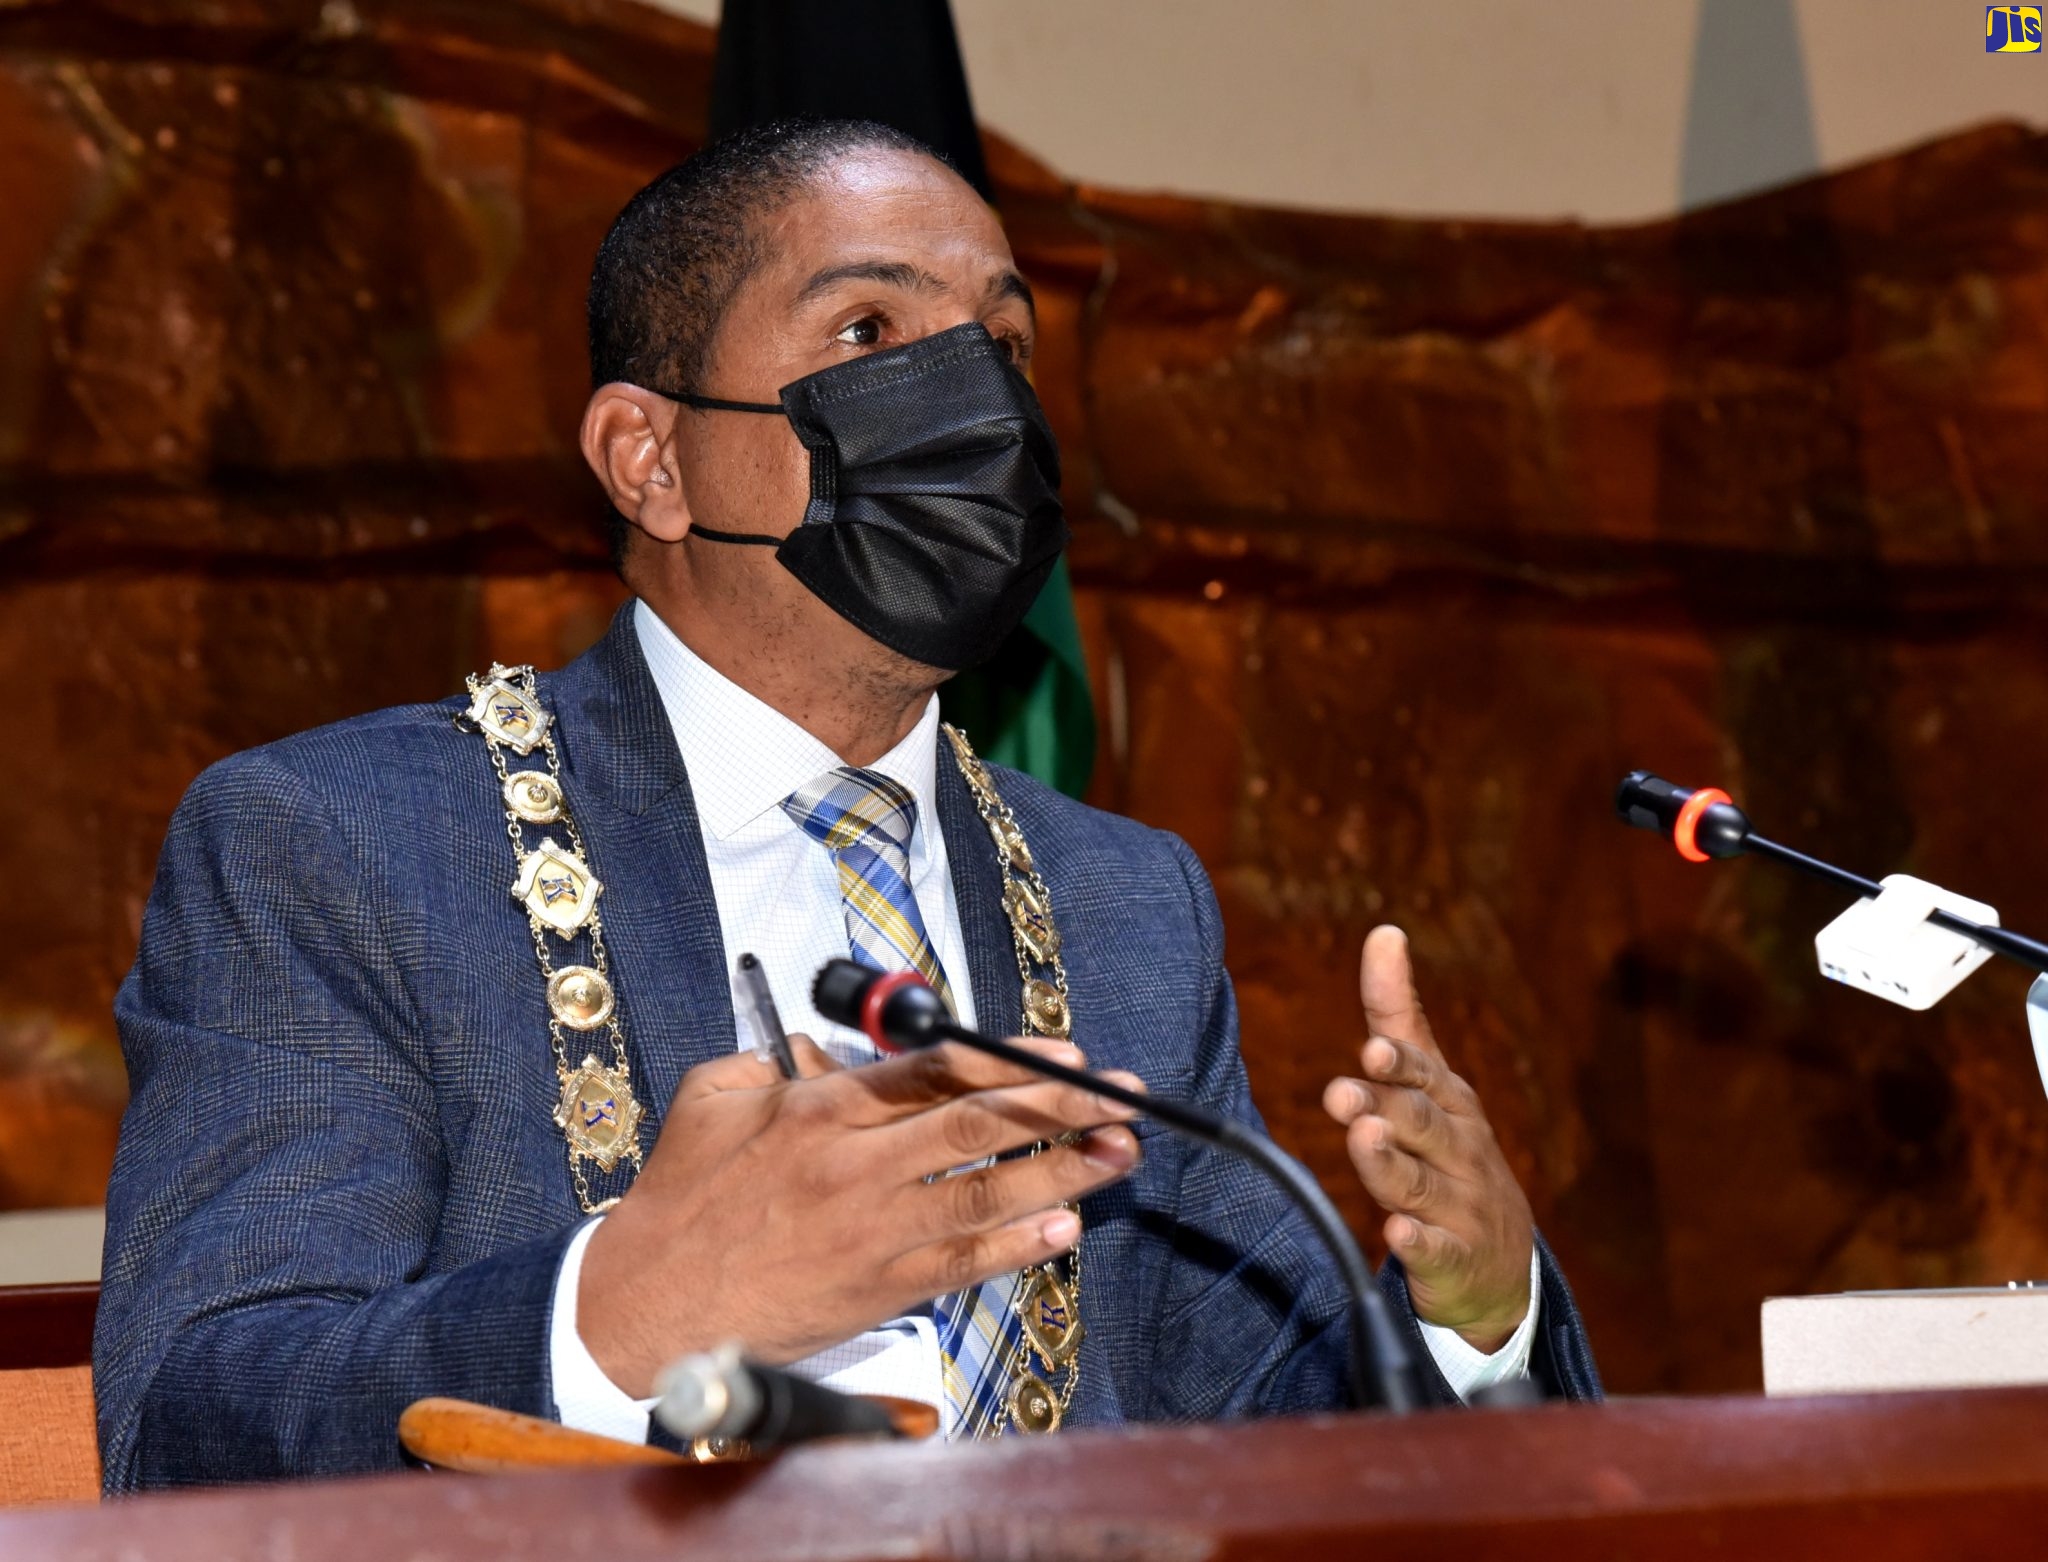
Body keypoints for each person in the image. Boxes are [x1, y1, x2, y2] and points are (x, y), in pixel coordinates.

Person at [95, 119, 1599, 1491]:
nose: (974, 406)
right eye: (872, 329)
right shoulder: (335, 843)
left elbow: (1267, 1433)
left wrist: (1478, 1310)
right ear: (652, 457)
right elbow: (189, 1421)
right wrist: (622, 1315)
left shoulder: (1125, 898)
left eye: (1003, 345)